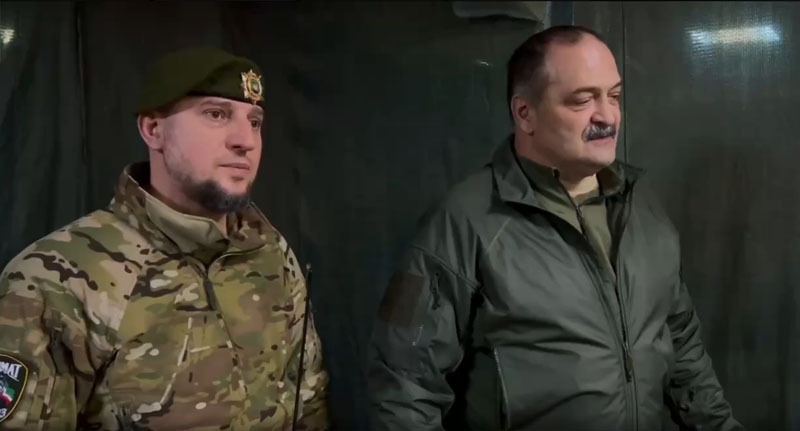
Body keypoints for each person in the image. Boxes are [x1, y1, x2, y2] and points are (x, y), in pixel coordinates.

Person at [367, 25, 742, 430]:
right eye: (583, 100)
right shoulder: (466, 221)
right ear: (524, 113)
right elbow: (404, 386)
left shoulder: (643, 210)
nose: (607, 116)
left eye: (614, 96)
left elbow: (683, 347)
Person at [0, 47, 330, 430]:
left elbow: (308, 399)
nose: (246, 141)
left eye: (254, 121)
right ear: (153, 130)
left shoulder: (270, 253)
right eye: (216, 114)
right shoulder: (55, 277)